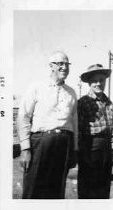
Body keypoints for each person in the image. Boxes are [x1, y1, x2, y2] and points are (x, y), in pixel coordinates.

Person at [18, 51, 78, 199]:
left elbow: (74, 123)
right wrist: (25, 148)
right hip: (41, 142)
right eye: (60, 64)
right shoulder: (37, 87)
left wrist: (74, 149)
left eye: (67, 64)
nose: (64, 67)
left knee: (56, 190)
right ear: (51, 66)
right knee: (33, 189)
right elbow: (23, 116)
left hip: (64, 144)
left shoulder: (71, 93)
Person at [77, 64, 113, 199]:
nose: (99, 83)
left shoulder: (109, 102)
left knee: (104, 187)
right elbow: (79, 130)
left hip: (106, 147)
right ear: (89, 82)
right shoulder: (83, 102)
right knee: (88, 187)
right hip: (90, 147)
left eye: (102, 80)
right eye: (95, 81)